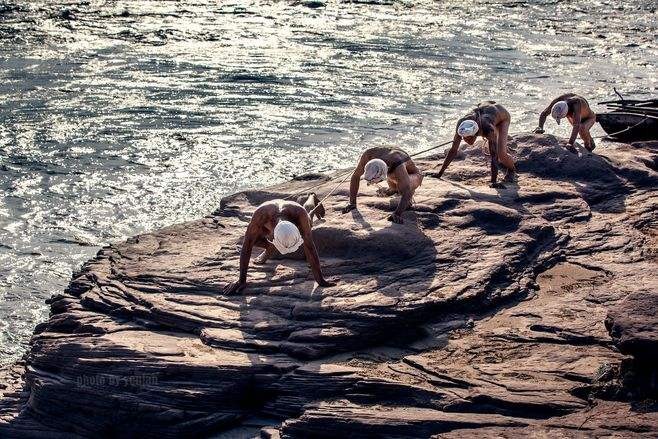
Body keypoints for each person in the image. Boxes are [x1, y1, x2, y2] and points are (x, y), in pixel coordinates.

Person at [223, 200, 335, 294]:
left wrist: (320, 280)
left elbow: (309, 247)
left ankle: (311, 198)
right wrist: (241, 280)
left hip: (296, 213)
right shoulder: (261, 215)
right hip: (270, 221)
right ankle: (269, 247)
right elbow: (247, 244)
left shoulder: (300, 215)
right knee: (251, 237)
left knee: (309, 221)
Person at [437, 101, 515, 188]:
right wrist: (440, 174)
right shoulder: (461, 125)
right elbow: (453, 150)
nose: (466, 141)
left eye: (468, 139)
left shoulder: (487, 128)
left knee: (501, 155)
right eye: (464, 138)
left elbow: (494, 156)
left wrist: (493, 182)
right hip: (485, 107)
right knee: (498, 146)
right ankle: (503, 145)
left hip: (502, 116)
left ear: (475, 134)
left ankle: (512, 170)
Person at [341, 147, 423, 224]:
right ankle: (393, 189)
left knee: (404, 189)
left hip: (413, 174)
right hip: (391, 166)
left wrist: (397, 214)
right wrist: (352, 203)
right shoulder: (368, 155)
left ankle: (400, 190)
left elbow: (407, 192)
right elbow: (356, 176)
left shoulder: (398, 166)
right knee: (395, 184)